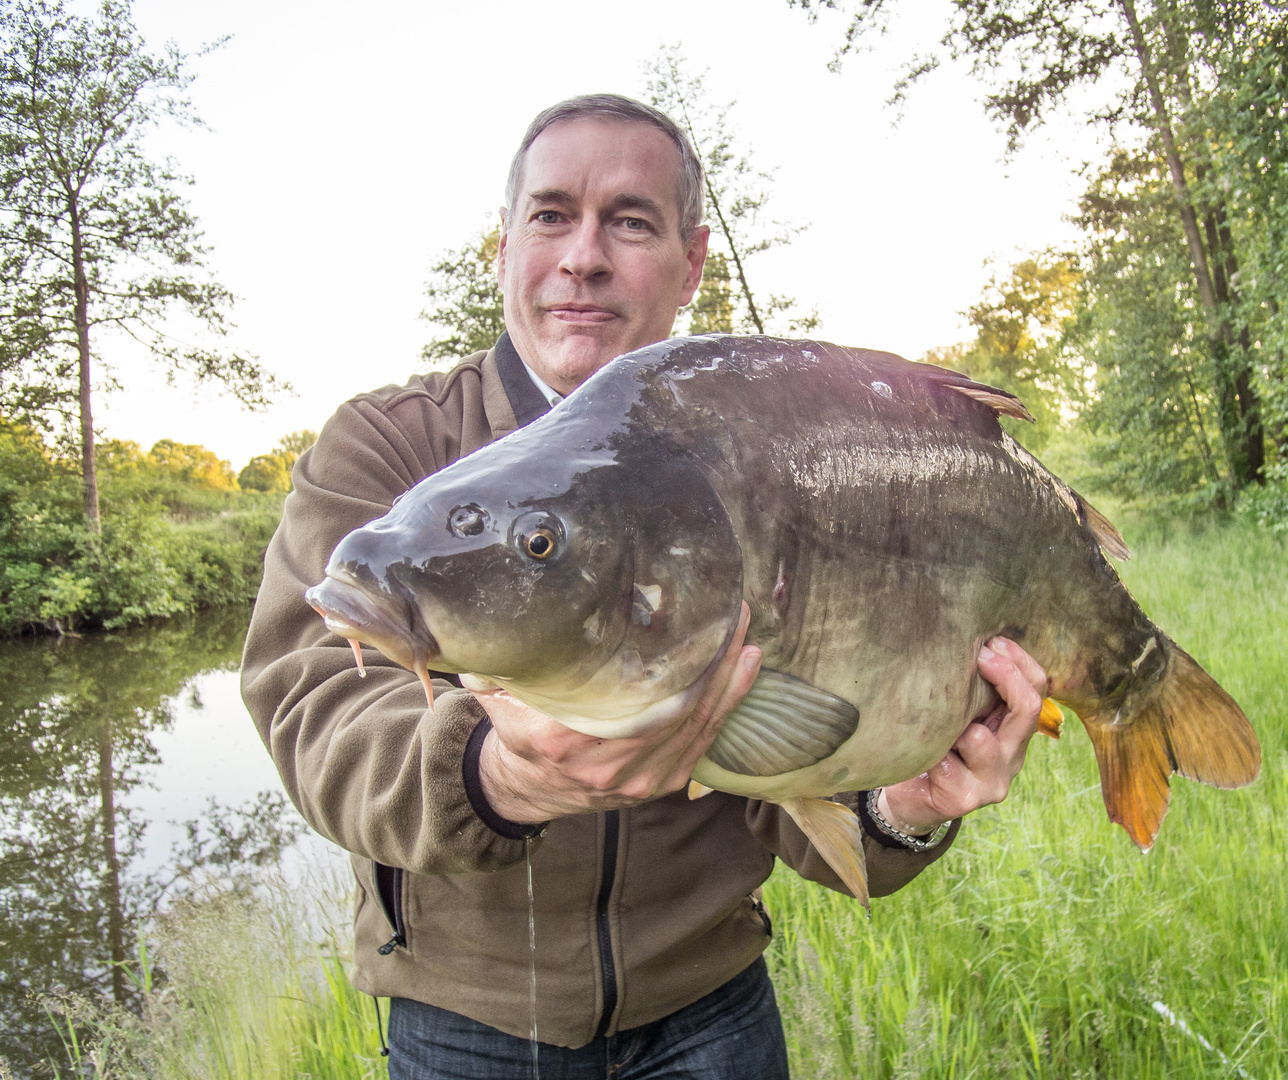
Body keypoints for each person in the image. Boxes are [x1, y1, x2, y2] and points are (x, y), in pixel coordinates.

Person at [241, 93, 1046, 1080]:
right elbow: (312, 707)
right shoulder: (389, 447)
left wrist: (904, 810)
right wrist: (498, 775)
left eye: (629, 220)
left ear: (692, 261)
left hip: (710, 1013)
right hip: (466, 1026)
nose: (583, 255)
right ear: (503, 246)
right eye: (550, 215)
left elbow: (793, 789)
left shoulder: (774, 451)